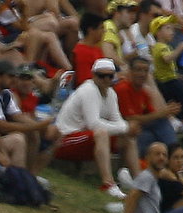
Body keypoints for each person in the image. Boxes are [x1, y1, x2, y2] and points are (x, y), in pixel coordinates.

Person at [54, 57, 131, 201]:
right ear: (94, 75)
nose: (106, 80)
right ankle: (108, 184)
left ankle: (129, 176)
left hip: (84, 138)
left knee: (127, 137)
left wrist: (124, 128)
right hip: (65, 139)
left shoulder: (111, 94)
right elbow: (94, 124)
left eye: (110, 76)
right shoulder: (88, 90)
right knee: (102, 133)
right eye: (102, 76)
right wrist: (124, 127)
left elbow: (117, 120)